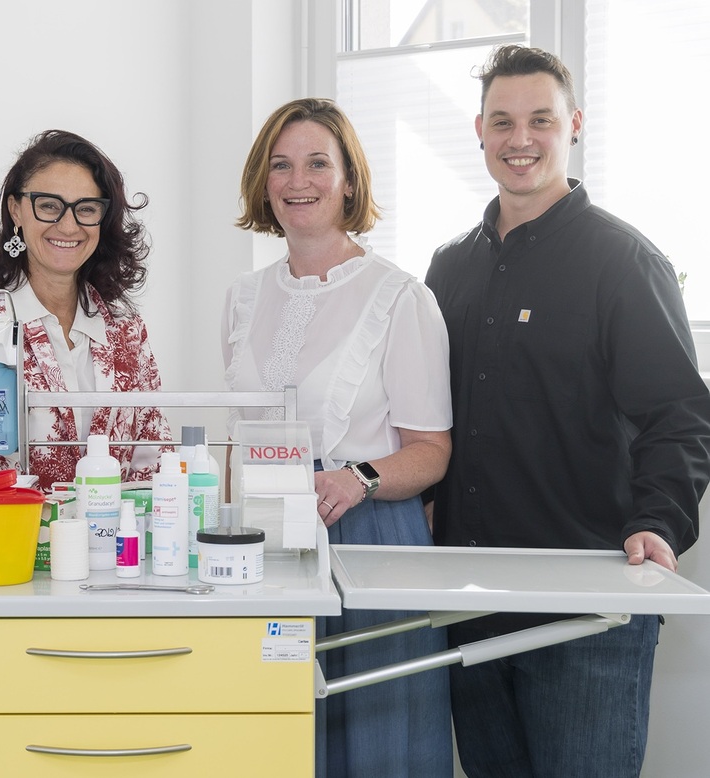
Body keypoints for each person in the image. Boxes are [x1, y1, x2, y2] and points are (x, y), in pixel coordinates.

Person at [425, 44, 710, 777]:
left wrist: (658, 522)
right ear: (480, 133)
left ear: (574, 125)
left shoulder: (623, 262)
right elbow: (433, 416)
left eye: (540, 120)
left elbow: (679, 414)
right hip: (470, 604)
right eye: (502, 121)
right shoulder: (448, 267)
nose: (521, 139)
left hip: (587, 607)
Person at [223, 98, 454, 777]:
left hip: (369, 540)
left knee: (376, 743)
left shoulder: (399, 297)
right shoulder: (242, 298)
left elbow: (431, 451)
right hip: (265, 543)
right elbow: (241, 434)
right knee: (278, 740)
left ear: (350, 179)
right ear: (263, 183)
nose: (300, 180)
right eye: (282, 164)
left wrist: (359, 479)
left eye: (318, 163)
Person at [0, 129, 169, 509]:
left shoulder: (126, 332)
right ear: (16, 210)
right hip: (6, 563)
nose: (69, 226)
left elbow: (155, 469)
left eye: (86, 208)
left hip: (107, 562)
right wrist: (2, 524)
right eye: (49, 206)